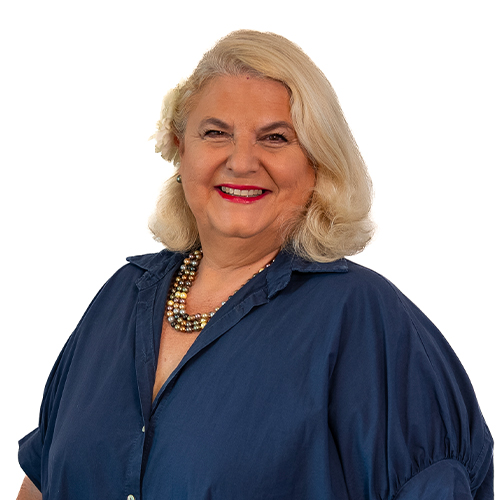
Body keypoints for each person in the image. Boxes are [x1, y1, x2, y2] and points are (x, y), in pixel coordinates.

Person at [17, 29, 493, 499]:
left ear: (317, 162)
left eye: (276, 138)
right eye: (216, 133)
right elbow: (41, 483)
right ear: (181, 149)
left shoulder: (363, 317)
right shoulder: (121, 296)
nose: (242, 162)